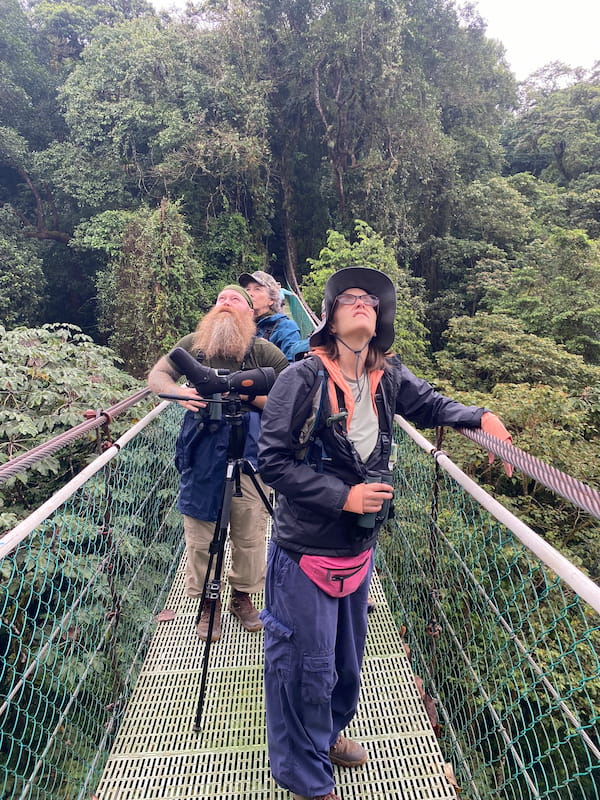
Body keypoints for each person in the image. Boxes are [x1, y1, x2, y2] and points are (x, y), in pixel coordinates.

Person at [257, 267, 513, 800]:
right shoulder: (299, 379)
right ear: (326, 318)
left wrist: (480, 417)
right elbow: (272, 461)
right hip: (304, 549)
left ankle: (326, 736)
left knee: (345, 664)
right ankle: (305, 778)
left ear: (380, 320)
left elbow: (434, 404)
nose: (360, 304)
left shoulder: (387, 374)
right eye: (347, 299)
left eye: (369, 301)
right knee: (305, 667)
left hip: (358, 547)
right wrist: (341, 496)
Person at [147, 285, 288, 641]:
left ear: (249, 311)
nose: (226, 303)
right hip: (201, 451)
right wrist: (180, 393)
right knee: (200, 534)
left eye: (235, 299)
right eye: (221, 299)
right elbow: (158, 376)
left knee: (250, 532)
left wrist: (244, 394)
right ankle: (207, 603)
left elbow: (290, 399)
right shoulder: (195, 342)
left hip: (250, 453)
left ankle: (242, 597)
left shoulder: (262, 350)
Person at [238, 270, 302, 362]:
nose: (250, 294)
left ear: (271, 300)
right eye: (247, 289)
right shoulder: (239, 326)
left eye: (257, 289)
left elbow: (292, 367)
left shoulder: (285, 328)